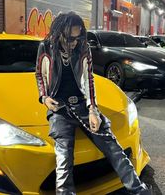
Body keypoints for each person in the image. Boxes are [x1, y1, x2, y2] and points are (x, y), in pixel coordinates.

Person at [35, 11, 151, 195]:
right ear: (59, 33)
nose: (75, 42)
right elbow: (39, 75)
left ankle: (139, 190)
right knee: (64, 158)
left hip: (82, 105)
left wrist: (92, 110)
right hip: (59, 108)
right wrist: (44, 97)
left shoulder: (83, 48)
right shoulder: (45, 48)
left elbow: (88, 80)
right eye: (71, 38)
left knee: (113, 146)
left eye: (78, 37)